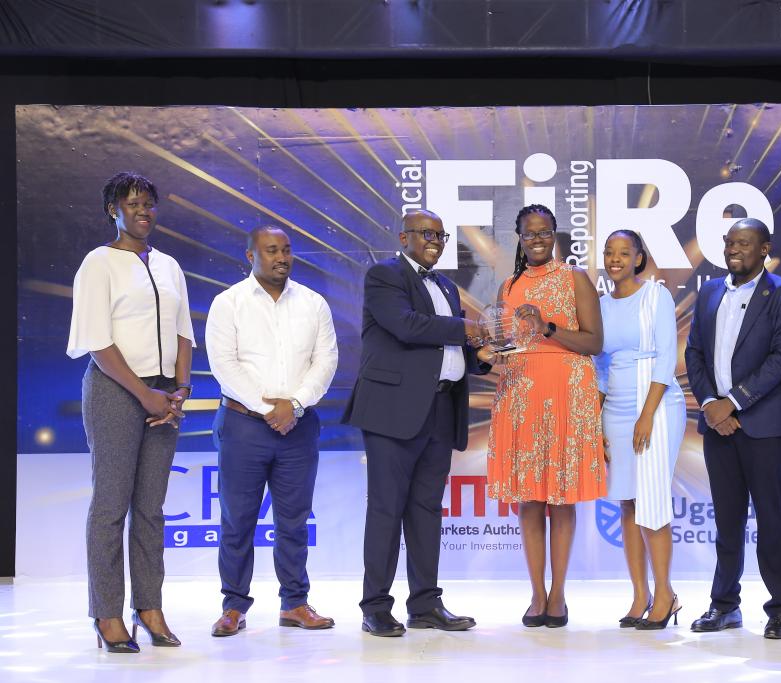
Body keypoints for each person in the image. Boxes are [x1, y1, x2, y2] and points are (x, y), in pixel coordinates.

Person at [343, 209, 487, 637]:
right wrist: (468, 328)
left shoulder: (445, 286)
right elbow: (407, 326)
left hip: (441, 410)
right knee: (386, 509)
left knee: (426, 511)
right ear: (404, 237)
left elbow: (450, 349)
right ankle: (375, 607)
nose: (436, 241)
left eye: (441, 235)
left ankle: (425, 604)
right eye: (427, 234)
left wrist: (481, 356)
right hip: (392, 411)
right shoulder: (384, 275)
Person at [67, 171, 195, 653]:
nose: (144, 210)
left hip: (165, 397)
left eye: (150, 203)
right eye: (133, 203)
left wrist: (179, 390)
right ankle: (106, 615)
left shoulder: (169, 265)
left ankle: (149, 608)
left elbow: (184, 333)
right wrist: (146, 396)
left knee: (150, 509)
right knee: (110, 506)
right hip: (117, 392)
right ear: (113, 211)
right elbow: (98, 342)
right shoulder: (97, 265)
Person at [205, 225, 338, 637]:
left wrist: (294, 405)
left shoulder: (314, 304)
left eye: (286, 250)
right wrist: (271, 410)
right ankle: (233, 607)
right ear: (251, 256)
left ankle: (295, 604)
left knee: (294, 521)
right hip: (245, 425)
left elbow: (326, 361)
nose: (281, 257)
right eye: (271, 250)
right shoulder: (228, 304)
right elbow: (224, 365)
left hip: (298, 427)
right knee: (237, 520)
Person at [483, 204, 605, 629]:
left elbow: (593, 343)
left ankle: (558, 595)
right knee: (530, 499)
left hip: (567, 394)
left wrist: (548, 327)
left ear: (555, 234)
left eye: (544, 232)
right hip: (520, 394)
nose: (537, 239)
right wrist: (490, 349)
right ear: (518, 238)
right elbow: (506, 342)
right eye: (529, 233)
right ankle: (536, 593)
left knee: (561, 497)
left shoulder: (575, 279)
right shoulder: (508, 286)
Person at [684, 218, 781, 640]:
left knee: (771, 519)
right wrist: (712, 406)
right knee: (727, 521)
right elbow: (694, 352)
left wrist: (732, 402)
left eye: (745, 243)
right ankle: (724, 605)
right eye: (731, 242)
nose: (736, 249)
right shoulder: (711, 291)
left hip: (762, 426)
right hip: (718, 426)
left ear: (764, 248)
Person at [595, 230, 685, 630]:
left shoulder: (656, 296)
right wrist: (598, 422)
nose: (615, 259)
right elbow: (598, 367)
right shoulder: (599, 305)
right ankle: (640, 595)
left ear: (638, 258)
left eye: (624, 253)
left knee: (651, 500)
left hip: (658, 405)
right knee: (628, 503)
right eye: (609, 253)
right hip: (614, 407)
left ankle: (666, 594)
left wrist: (646, 415)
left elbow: (666, 357)